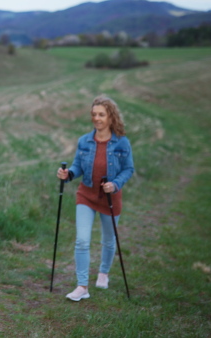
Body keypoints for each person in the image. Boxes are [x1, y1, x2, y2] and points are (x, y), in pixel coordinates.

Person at [56, 95, 134, 302]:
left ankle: (103, 273)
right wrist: (68, 174)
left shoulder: (121, 143)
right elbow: (77, 166)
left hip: (111, 198)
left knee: (108, 241)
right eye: (94, 114)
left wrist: (115, 184)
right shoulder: (84, 141)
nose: (97, 118)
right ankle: (82, 286)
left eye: (101, 114)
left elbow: (129, 169)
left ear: (111, 117)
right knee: (82, 241)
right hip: (86, 195)